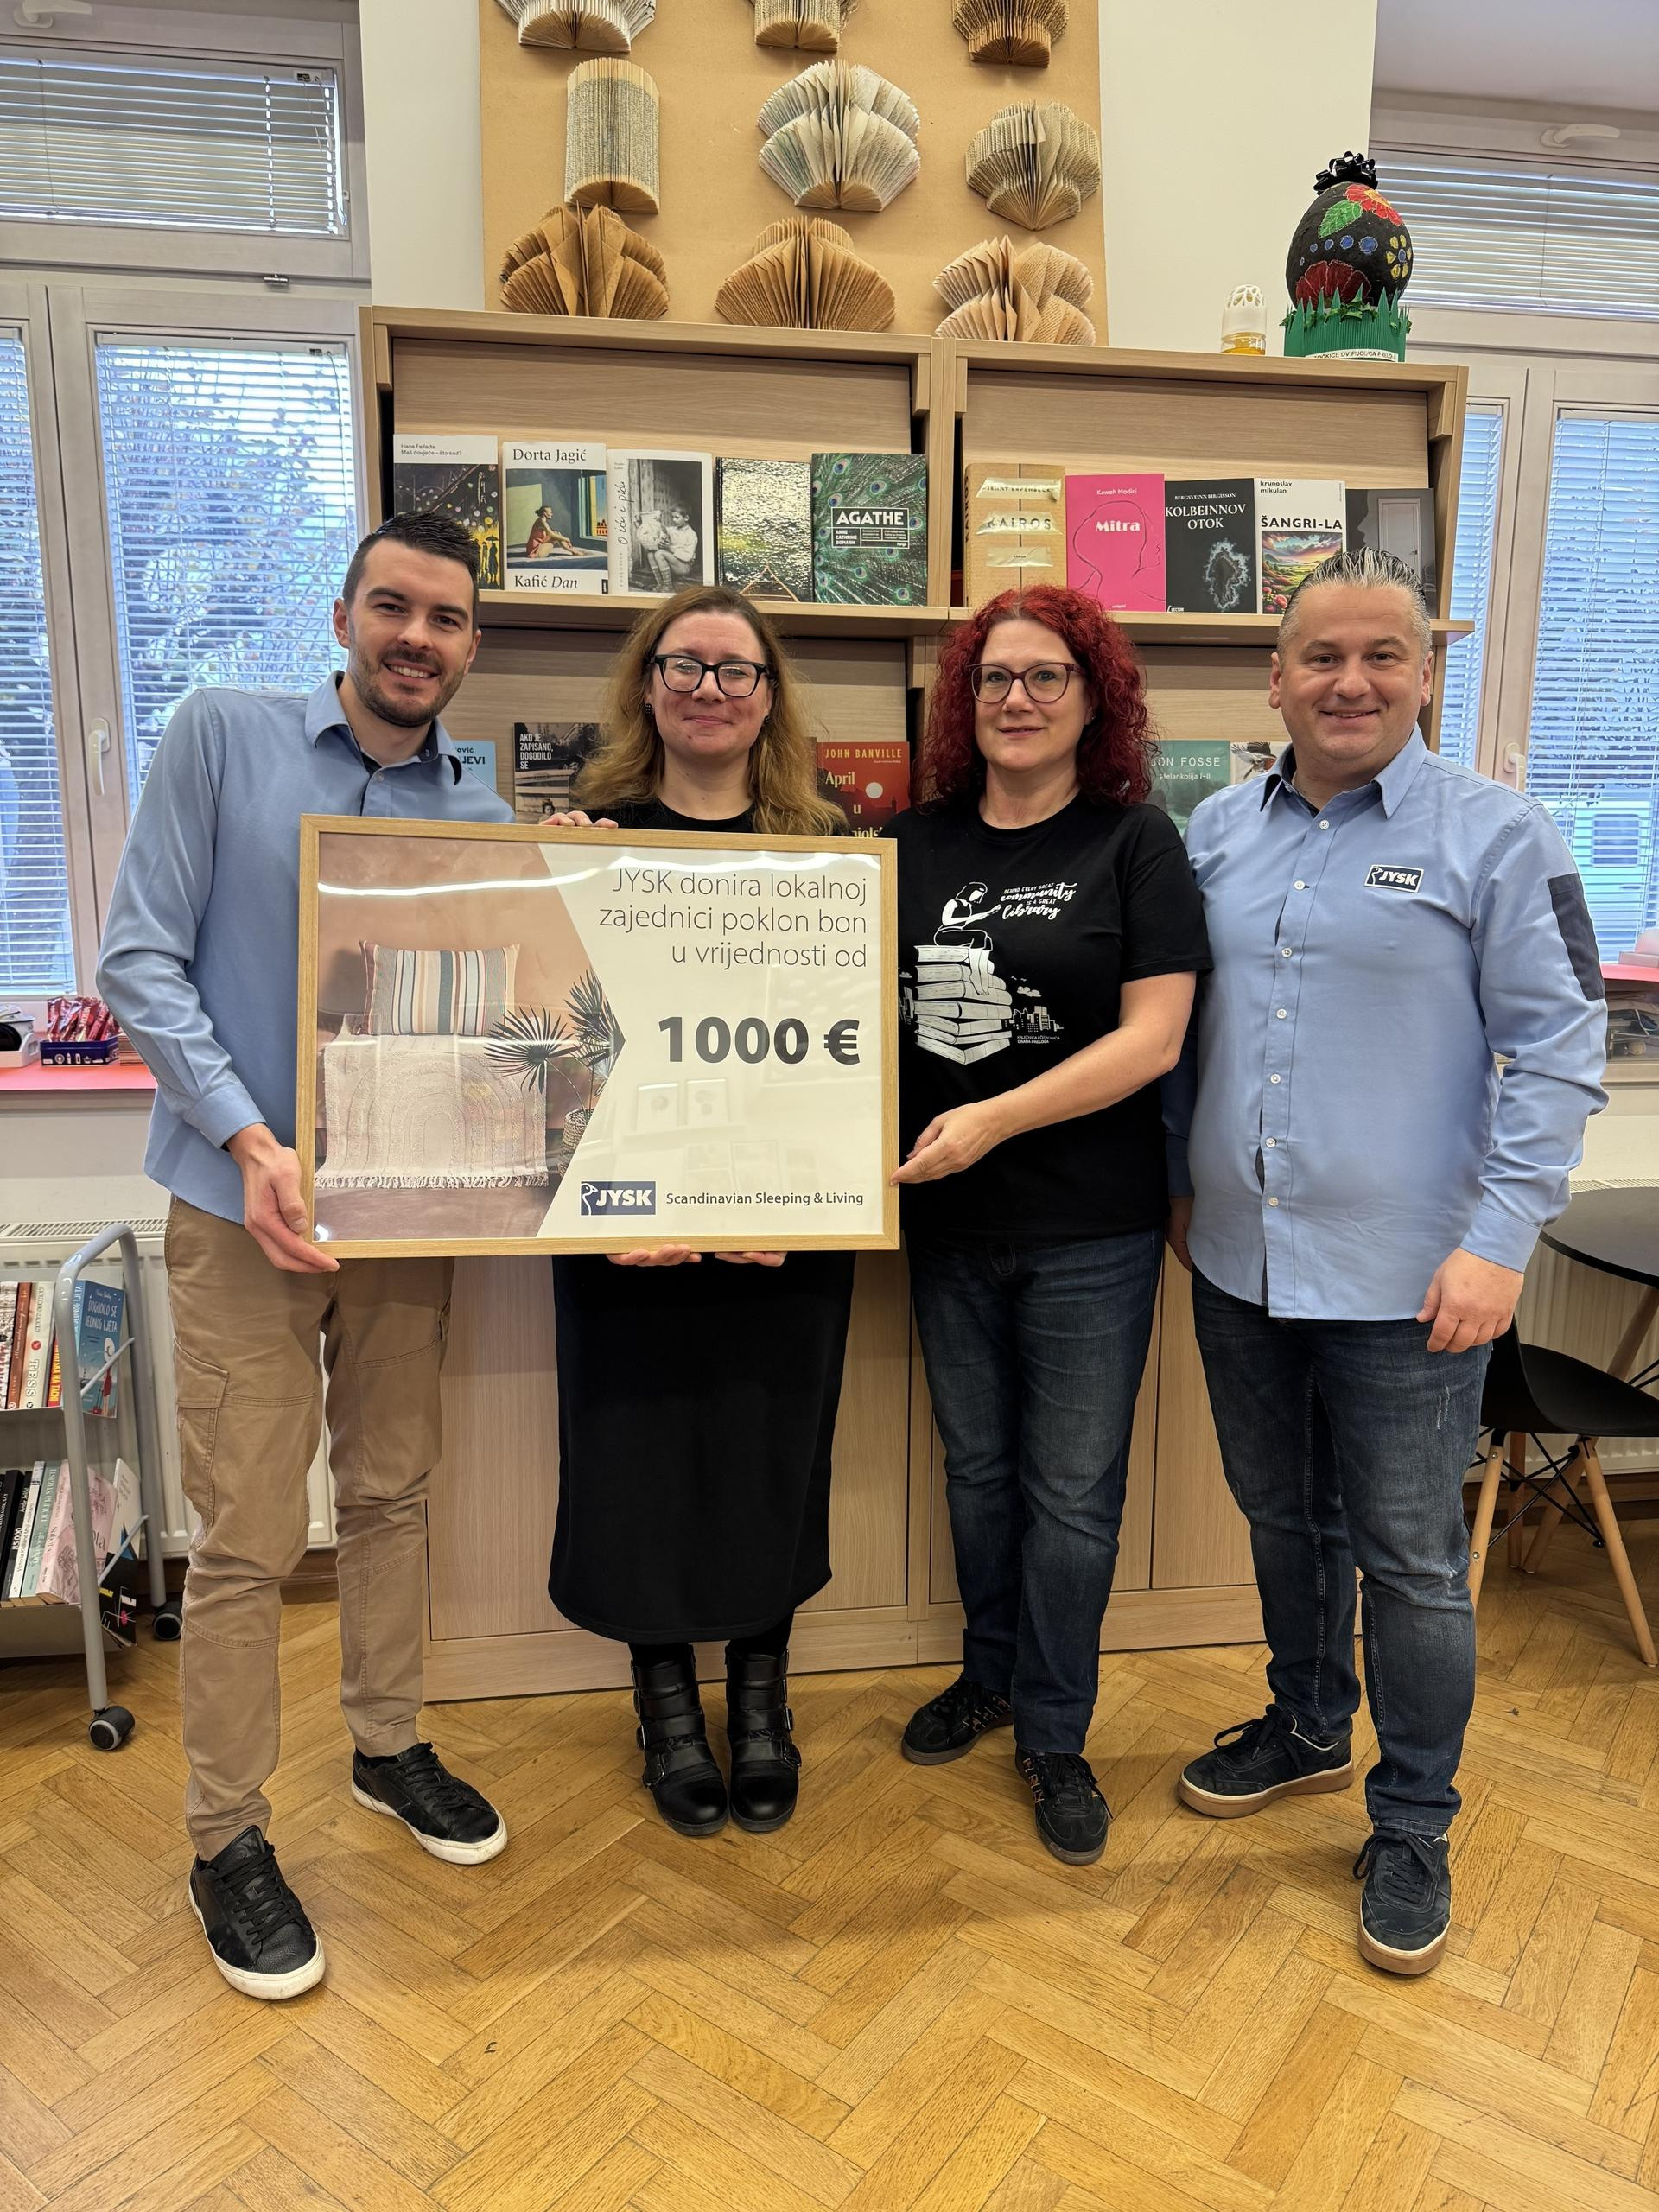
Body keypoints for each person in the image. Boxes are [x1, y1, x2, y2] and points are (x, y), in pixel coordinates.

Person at [1165, 548, 1608, 1975]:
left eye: (1381, 656)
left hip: (1417, 1286)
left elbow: (1561, 1055)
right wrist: (1182, 1189)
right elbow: (1178, 1029)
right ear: (1275, 679)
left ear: (1426, 673)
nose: (1349, 682)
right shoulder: (1215, 832)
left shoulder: (1500, 836)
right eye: (1322, 656)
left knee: (1413, 1563)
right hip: (1238, 1264)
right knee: (1281, 1521)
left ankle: (1412, 1817)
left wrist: (1500, 1245)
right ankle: (1308, 1723)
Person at [96, 512, 514, 2003]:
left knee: (392, 1490)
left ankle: (386, 1746)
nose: (417, 638)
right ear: (343, 618)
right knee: (250, 1536)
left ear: (471, 645)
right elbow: (138, 958)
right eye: (392, 607)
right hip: (239, 1212)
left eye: (447, 619)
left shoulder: (483, 810)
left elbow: (506, 1016)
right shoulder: (222, 736)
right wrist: (249, 1140)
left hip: (405, 1211)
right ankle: (226, 1838)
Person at [889, 584, 1210, 1866]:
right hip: (945, 1223)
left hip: (1093, 1231)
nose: (1015, 700)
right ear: (964, 702)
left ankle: (1056, 1730)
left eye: (1045, 678)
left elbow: (1155, 1038)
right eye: (993, 679)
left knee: (1070, 1495)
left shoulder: (1137, 842)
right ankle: (989, 1673)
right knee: (976, 1474)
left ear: (1094, 700)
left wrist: (995, 1119)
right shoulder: (906, 845)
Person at [543, 584, 854, 1840]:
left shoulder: (831, 850)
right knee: (639, 1462)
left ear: (770, 696)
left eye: (737, 670)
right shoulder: (585, 842)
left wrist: (804, 1203)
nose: (710, 690)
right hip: (624, 1224)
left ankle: (763, 1706)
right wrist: (543, 882)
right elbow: (551, 1047)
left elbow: (848, 1052)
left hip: (783, 1228)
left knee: (768, 1451)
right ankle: (667, 1709)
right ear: (648, 684)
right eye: (685, 666)